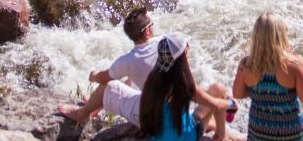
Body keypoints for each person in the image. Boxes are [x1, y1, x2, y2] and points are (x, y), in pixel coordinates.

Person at [101, 34, 236, 141]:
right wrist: (231, 103)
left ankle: (219, 133)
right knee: (218, 90)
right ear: (181, 56)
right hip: (185, 138)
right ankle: (222, 136)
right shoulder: (184, 85)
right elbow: (217, 105)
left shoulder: (153, 79)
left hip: (157, 136)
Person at [57, 7, 158, 125]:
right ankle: (94, 108)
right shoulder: (167, 43)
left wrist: (93, 76)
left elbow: (104, 78)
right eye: (152, 24)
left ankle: (82, 114)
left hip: (153, 119)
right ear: (147, 31)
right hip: (175, 110)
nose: (153, 26)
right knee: (128, 80)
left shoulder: (129, 60)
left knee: (109, 86)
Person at [233, 14, 303, 141]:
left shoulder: (246, 65)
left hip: (259, 132)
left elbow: (237, 93)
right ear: (281, 36)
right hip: (291, 133)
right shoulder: (293, 65)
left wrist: (261, 91)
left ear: (256, 36)